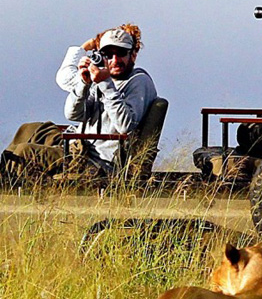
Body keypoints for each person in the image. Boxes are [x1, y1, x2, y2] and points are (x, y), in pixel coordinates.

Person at [1, 23, 157, 181]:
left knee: (24, 152)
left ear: (133, 55)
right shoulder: (101, 75)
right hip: (79, 146)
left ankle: (8, 189)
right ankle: (5, 174)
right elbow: (73, 114)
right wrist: (84, 83)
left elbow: (126, 126)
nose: (115, 60)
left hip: (96, 161)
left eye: (121, 53)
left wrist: (106, 85)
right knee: (30, 129)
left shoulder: (138, 81)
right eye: (108, 54)